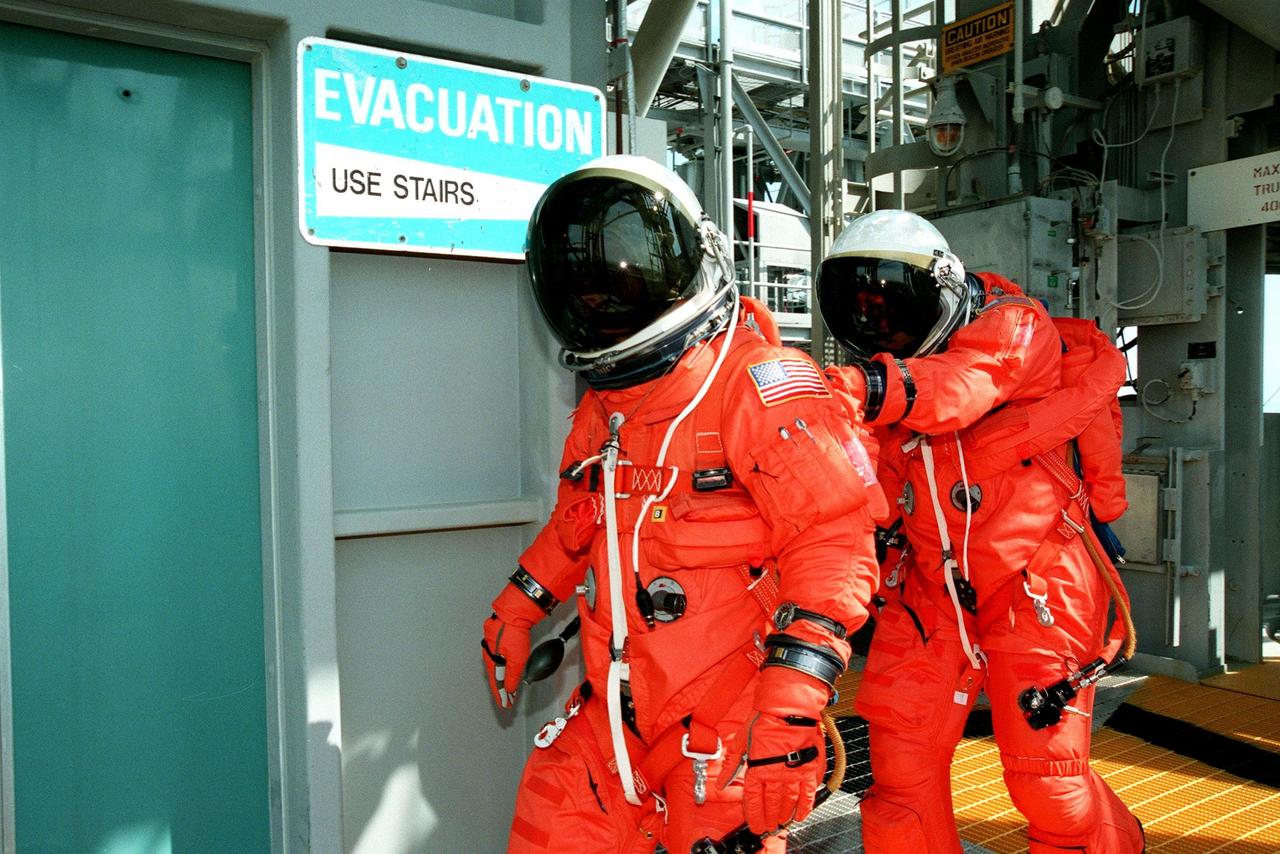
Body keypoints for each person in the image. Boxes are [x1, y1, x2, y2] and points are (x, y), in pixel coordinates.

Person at [482, 155, 882, 852]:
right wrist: (519, 605)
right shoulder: (606, 409)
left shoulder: (758, 386)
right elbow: (582, 521)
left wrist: (791, 705)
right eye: (589, 285)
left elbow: (833, 542)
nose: (604, 299)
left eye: (623, 278)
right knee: (544, 827)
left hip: (725, 722)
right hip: (615, 714)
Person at [816, 209, 1144, 853]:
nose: (881, 330)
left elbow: (962, 387)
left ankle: (1117, 841)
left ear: (940, 287)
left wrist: (863, 387)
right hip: (933, 593)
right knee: (899, 780)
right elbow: (877, 491)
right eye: (864, 316)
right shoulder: (896, 379)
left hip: (1039, 584)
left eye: (891, 309)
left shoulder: (1016, 327)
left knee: (1049, 782)